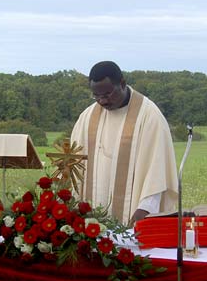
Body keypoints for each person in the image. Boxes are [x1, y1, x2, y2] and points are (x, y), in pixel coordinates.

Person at [71, 61, 178, 225]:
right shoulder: (88, 117)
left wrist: (146, 208)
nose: (102, 101)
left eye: (107, 94)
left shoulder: (149, 116)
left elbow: (156, 171)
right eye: (96, 95)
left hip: (134, 213)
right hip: (91, 221)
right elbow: (74, 163)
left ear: (122, 83)